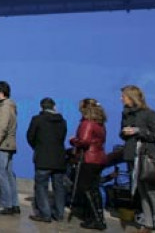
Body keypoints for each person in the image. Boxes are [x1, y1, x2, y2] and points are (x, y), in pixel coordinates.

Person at [120, 85, 155, 232]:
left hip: (146, 156)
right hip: (132, 154)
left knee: (152, 192)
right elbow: (122, 134)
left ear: (131, 97)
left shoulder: (149, 114)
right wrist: (124, 132)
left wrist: (138, 131)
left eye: (124, 96)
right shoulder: (126, 114)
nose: (121, 99)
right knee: (141, 191)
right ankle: (147, 223)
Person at [26, 97, 68, 223]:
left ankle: (45, 214)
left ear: (42, 107)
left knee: (41, 186)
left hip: (43, 157)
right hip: (59, 158)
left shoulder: (37, 119)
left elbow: (30, 136)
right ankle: (59, 213)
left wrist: (38, 147)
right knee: (59, 187)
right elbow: (62, 137)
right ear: (54, 107)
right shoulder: (62, 121)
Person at [70, 98, 109, 230]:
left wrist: (73, 140)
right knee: (94, 188)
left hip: (88, 158)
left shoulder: (87, 123)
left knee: (85, 188)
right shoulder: (100, 124)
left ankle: (96, 219)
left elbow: (84, 141)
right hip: (99, 157)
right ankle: (98, 216)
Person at [0, 81, 20, 215]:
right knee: (8, 174)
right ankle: (14, 204)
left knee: (2, 174)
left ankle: (6, 204)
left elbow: (1, 128)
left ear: (1, 92)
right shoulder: (9, 106)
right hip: (9, 144)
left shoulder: (4, 108)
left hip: (3, 145)